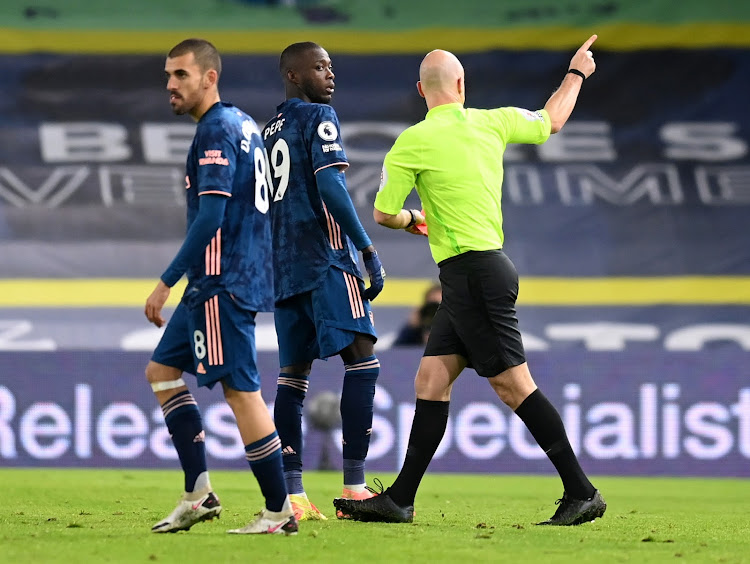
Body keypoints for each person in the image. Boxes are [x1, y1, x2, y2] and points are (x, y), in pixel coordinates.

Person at [334, 36, 607, 527]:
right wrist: (577, 73)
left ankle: (581, 491)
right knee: (432, 378)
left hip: (473, 274)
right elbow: (553, 120)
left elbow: (382, 213)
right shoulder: (493, 120)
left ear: (421, 91)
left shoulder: (411, 142)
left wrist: (415, 219)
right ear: (462, 85)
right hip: (478, 272)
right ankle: (400, 499)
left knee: (512, 384)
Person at [144, 38, 297, 536]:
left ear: (209, 77)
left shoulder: (214, 131)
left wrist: (165, 282)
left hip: (220, 282)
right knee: (162, 370)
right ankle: (199, 493)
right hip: (227, 277)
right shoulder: (243, 124)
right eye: (168, 75)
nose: (171, 84)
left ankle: (279, 512)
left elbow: (210, 216)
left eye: (181, 75)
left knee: (241, 393)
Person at [261, 41, 386, 521]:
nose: (330, 75)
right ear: (294, 75)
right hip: (326, 258)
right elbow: (331, 184)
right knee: (363, 362)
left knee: (292, 378)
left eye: (332, 66)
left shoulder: (268, 130)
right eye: (319, 67)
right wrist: (366, 249)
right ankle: (354, 487)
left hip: (284, 267)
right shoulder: (319, 117)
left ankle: (293, 495)